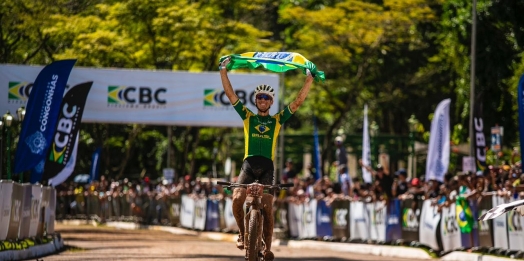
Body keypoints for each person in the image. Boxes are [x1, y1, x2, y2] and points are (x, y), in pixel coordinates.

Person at [219, 56, 314, 260]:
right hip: (248, 165)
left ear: (271, 101)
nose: (262, 100)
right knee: (236, 198)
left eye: (266, 98)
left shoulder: (277, 119)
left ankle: (268, 248)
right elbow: (230, 94)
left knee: (268, 207)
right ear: (256, 100)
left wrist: (309, 79)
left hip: (267, 167)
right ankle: (242, 234)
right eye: (259, 97)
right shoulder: (247, 117)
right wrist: (223, 71)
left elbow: (297, 103)